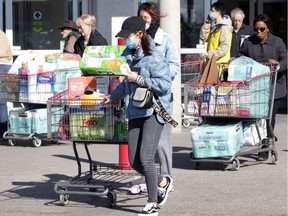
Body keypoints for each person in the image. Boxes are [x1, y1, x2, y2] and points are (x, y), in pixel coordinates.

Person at [105, 16, 173, 216]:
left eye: (128, 36)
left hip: (153, 110)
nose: (126, 39)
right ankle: (162, 181)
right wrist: (112, 97)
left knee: (146, 157)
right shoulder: (129, 55)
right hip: (135, 110)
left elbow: (165, 85)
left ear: (139, 35)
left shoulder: (154, 56)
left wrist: (141, 79)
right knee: (134, 160)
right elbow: (127, 84)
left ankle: (152, 203)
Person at [129, 2, 180, 198]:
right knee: (145, 148)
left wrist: (160, 75)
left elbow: (174, 64)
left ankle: (167, 178)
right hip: (141, 99)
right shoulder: (138, 41)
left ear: (153, 17)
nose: (144, 20)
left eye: (146, 17)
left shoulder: (164, 39)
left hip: (160, 97)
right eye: (141, 17)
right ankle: (152, 180)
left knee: (161, 143)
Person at [239, 14, 287, 142]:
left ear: (268, 29)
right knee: (258, 117)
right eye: (256, 29)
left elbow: (286, 60)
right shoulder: (248, 42)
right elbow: (241, 57)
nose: (258, 32)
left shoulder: (277, 42)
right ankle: (265, 137)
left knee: (269, 117)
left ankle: (267, 145)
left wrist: (278, 64)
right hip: (256, 87)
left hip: (275, 87)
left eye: (262, 29)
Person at [0, 29, 12, 138]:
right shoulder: (3, 34)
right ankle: (3, 129)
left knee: (1, 102)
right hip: (6, 66)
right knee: (2, 101)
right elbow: (10, 53)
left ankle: (1, 130)